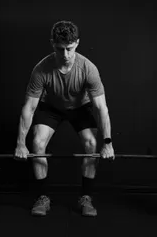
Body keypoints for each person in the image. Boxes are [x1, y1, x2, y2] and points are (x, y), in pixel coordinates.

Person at [14, 20, 114, 217]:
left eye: (69, 48)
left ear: (77, 43)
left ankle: (86, 197)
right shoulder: (41, 69)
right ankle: (43, 197)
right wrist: (20, 143)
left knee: (91, 143)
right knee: (37, 142)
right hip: (51, 107)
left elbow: (101, 107)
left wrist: (108, 142)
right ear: (53, 44)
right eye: (60, 49)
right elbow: (29, 108)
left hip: (79, 107)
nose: (65, 55)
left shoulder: (88, 69)